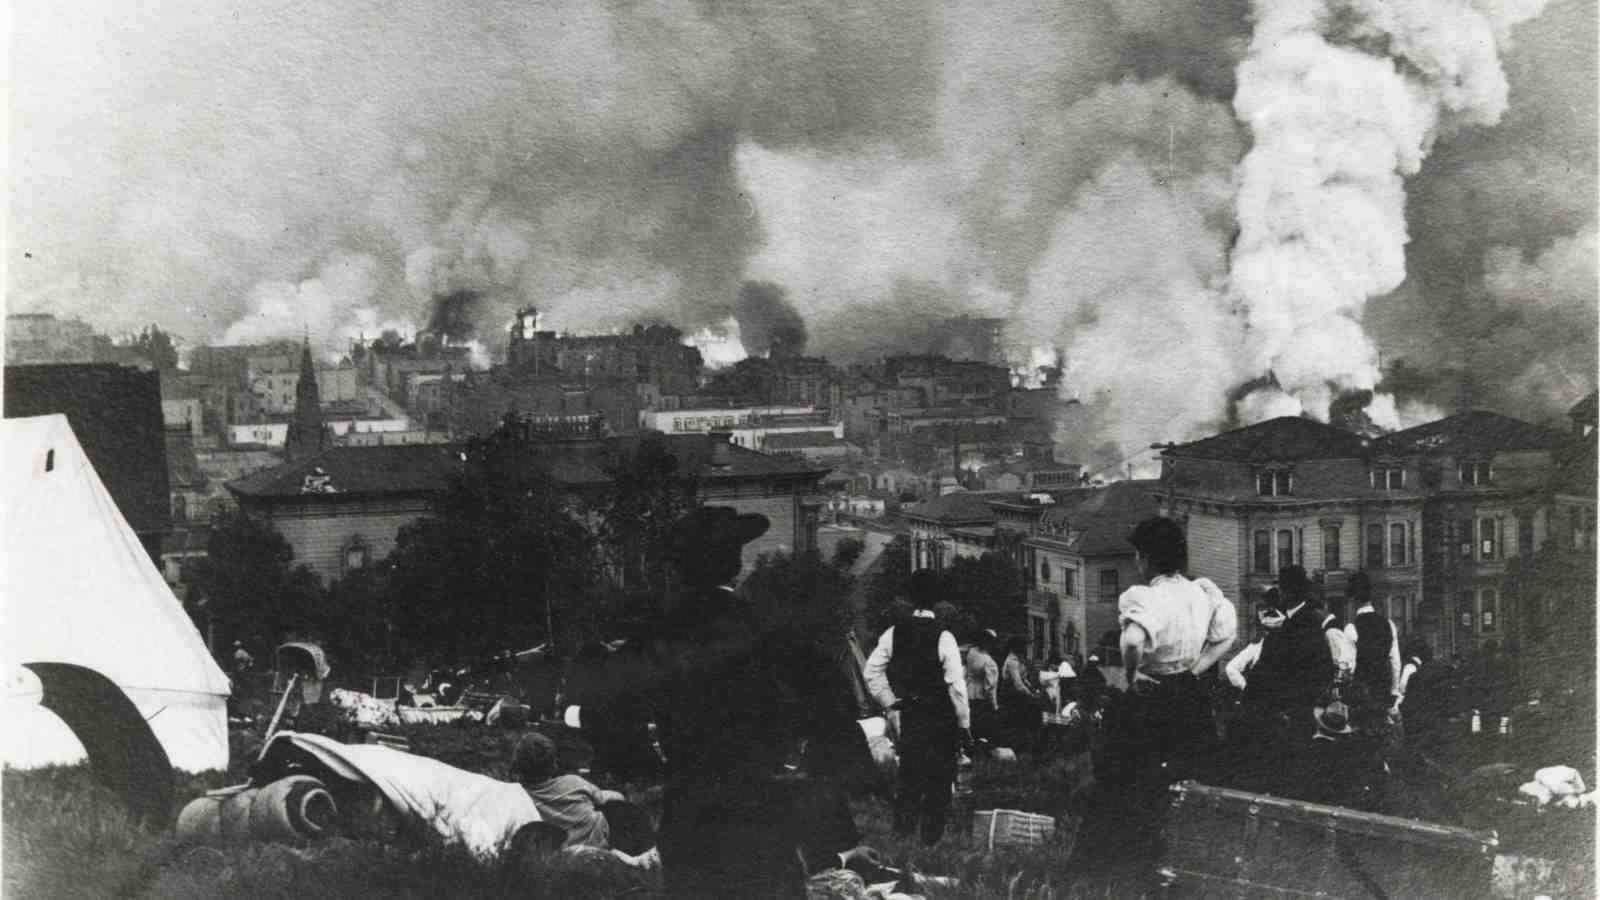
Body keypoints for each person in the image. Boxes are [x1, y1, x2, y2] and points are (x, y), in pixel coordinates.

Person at [653, 506, 874, 899]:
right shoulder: (763, 626)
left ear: (679, 571)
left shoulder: (659, 634)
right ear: (735, 564)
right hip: (754, 808)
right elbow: (832, 697)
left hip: (685, 811)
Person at [1096, 516, 1236, 860]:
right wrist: (1196, 668)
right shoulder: (1201, 592)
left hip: (1150, 700)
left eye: (1137, 555)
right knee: (1185, 780)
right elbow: (1226, 634)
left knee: (1131, 782)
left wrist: (1129, 675)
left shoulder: (1148, 597)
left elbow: (1131, 641)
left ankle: (1126, 861)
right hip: (1189, 698)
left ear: (1146, 558)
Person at [864, 571, 971, 846]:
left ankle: (902, 837)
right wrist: (964, 724)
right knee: (939, 779)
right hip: (940, 718)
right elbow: (956, 686)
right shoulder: (944, 636)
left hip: (910, 714)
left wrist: (890, 702)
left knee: (909, 776)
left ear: (911, 599)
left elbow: (871, 672)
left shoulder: (893, 632)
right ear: (937, 602)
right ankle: (930, 841)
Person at [1234, 565, 1336, 798]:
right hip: (1290, 713)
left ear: (1288, 592)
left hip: (1288, 715)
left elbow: (1281, 670)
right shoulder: (1297, 620)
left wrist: (1256, 701)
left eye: (1280, 587)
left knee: (1285, 779)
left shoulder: (1301, 624)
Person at [513, 732, 628, 849]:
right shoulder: (574, 783)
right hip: (594, 846)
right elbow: (605, 798)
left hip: (556, 853)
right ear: (554, 764)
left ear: (517, 766)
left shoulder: (517, 796)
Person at [997, 636, 1039, 751]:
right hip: (1011, 694)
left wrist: (1032, 688)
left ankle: (1024, 743)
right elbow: (1018, 684)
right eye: (1024, 646)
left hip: (1018, 693)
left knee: (1022, 719)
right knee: (1015, 720)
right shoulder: (1012, 662)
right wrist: (1031, 695)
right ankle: (1016, 745)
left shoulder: (1019, 660)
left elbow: (1024, 679)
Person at [964, 629, 1000, 746]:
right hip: (981, 695)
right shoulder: (989, 661)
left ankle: (969, 743)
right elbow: (989, 686)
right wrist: (994, 704)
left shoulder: (971, 652)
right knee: (981, 723)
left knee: (970, 719)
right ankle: (980, 746)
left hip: (968, 689)